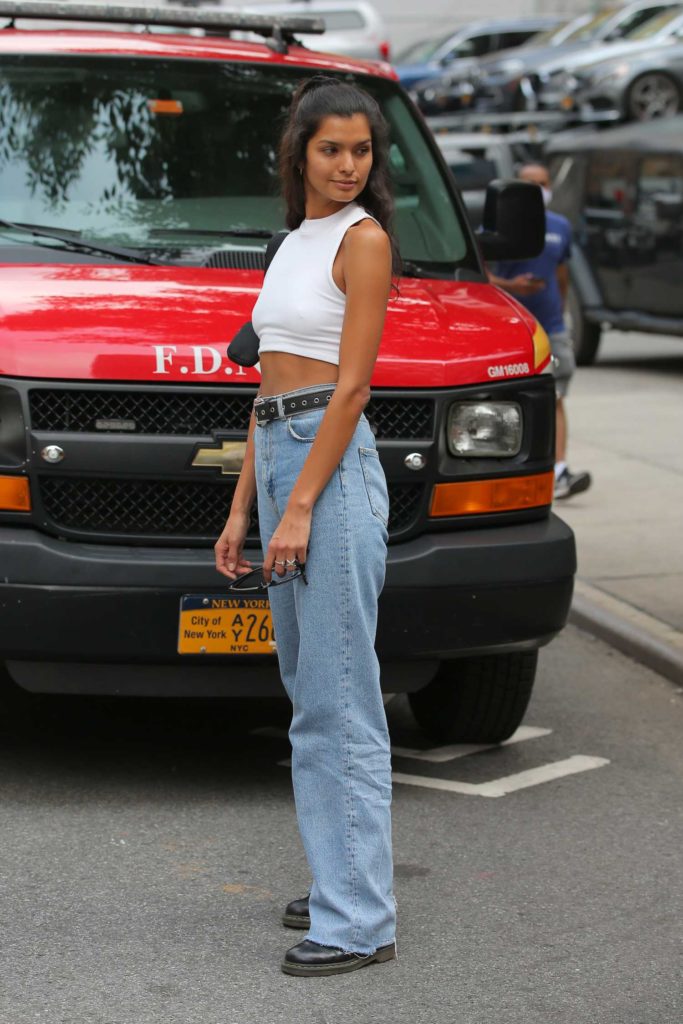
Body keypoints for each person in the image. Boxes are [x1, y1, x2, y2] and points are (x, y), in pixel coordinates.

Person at [214, 76, 398, 977]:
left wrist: (296, 507)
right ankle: (341, 871)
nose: (347, 165)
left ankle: (357, 916)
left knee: (338, 704)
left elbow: (351, 386)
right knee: (309, 694)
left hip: (331, 466)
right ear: (300, 154)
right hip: (284, 448)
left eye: (361, 150)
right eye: (331, 149)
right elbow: (266, 388)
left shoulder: (365, 244)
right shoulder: (293, 243)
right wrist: (244, 506)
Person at [488, 163, 591, 500]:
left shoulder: (560, 226)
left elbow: (562, 273)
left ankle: (559, 470)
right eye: (531, 183)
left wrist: (559, 312)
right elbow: (479, 275)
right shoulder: (495, 224)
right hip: (507, 332)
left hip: (550, 328)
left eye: (544, 183)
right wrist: (511, 286)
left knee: (557, 397)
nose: (540, 189)